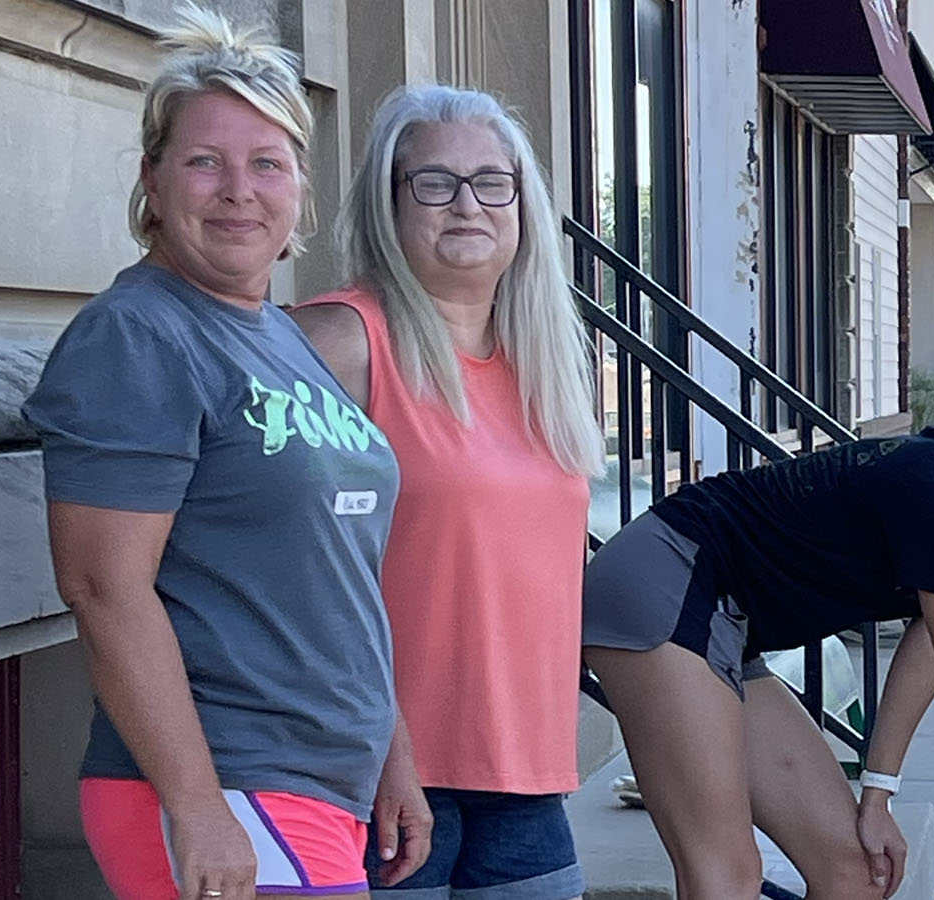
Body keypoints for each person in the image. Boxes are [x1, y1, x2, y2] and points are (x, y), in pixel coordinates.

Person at [21, 8, 422, 900]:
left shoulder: (280, 337)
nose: (238, 189)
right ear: (152, 183)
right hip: (228, 784)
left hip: (318, 785)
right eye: (205, 161)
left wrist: (390, 752)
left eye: (266, 163)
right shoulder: (137, 336)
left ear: (299, 191)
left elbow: (333, 573)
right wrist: (198, 810)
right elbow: (103, 587)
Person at [580, 338, 934, 900]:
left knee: (856, 873)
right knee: (725, 877)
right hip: (670, 577)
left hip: (730, 622)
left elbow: (931, 643)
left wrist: (878, 792)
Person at [289, 84, 604, 899]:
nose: (467, 203)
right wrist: (381, 749)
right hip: (381, 775)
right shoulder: (338, 343)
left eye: (491, 182)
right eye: (433, 182)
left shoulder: (547, 364)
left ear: (523, 204)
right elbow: (288, 572)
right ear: (389, 203)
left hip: (526, 773)